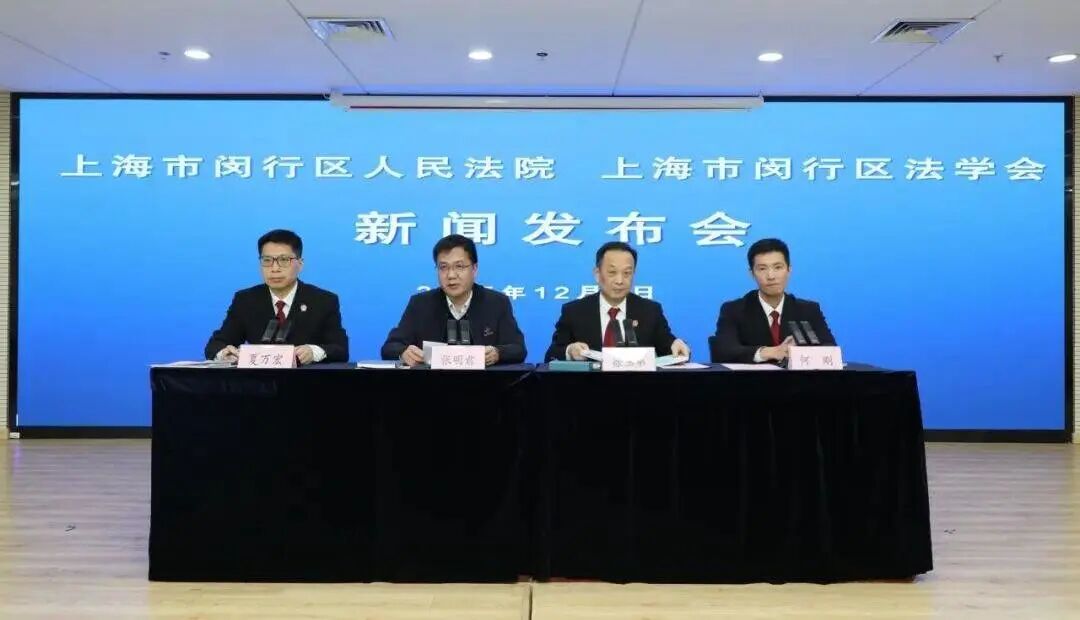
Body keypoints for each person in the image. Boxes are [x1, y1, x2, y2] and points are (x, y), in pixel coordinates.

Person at [205, 229, 349, 364]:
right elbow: (216, 344)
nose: (275, 269)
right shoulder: (245, 300)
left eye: (284, 260)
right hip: (259, 381)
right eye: (267, 260)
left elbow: (340, 349)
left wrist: (313, 352)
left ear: (300, 264)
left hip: (307, 380)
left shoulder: (323, 300)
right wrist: (224, 353)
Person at [381, 234, 526, 366]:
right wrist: (403, 353)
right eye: (443, 267)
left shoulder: (496, 303)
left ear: (474, 269)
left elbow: (518, 349)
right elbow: (390, 347)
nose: (451, 275)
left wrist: (498, 353)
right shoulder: (420, 304)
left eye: (459, 266)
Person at [545, 241, 690, 361]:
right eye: (612, 272)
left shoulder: (650, 311)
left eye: (627, 273)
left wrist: (677, 345)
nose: (620, 280)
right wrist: (570, 351)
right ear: (597, 274)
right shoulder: (574, 311)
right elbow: (552, 355)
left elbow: (669, 345)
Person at [713, 238, 836, 364]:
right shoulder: (734, 310)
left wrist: (800, 352)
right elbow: (723, 351)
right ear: (752, 273)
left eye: (778, 267)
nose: (771, 276)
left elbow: (830, 349)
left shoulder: (808, 310)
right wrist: (769, 352)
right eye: (762, 269)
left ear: (789, 270)